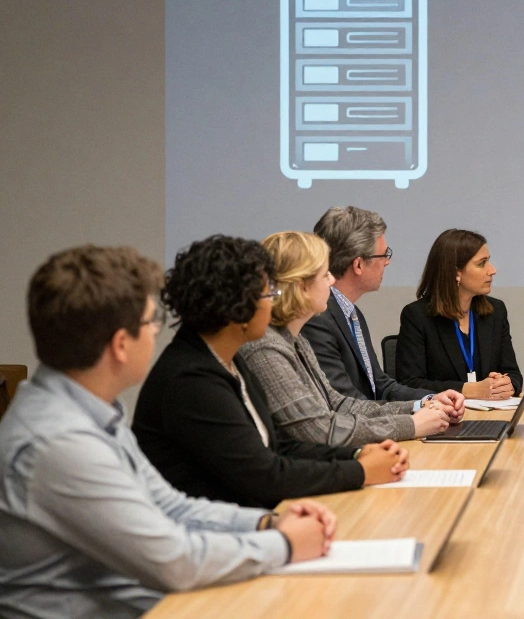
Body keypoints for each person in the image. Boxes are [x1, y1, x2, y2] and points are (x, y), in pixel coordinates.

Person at [0, 246, 334, 619]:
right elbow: (174, 561)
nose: (157, 330)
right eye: (151, 321)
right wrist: (283, 544)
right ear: (121, 345)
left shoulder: (91, 410)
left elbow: (169, 506)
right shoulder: (59, 442)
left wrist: (265, 523)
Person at [133, 235, 408, 509]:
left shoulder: (225, 359)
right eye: (268, 294)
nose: (273, 303)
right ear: (237, 306)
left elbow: (278, 446)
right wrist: (360, 471)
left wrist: (357, 454)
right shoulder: (192, 379)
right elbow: (265, 476)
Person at [239, 231, 463, 446]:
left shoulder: (295, 340)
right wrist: (411, 425)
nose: (331, 281)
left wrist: (421, 406)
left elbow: (339, 404)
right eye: (324, 274)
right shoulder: (266, 348)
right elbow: (319, 430)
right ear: (300, 286)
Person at [302, 206, 433, 402]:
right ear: (358, 265)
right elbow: (345, 402)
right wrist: (416, 413)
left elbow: (380, 385)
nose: (387, 262)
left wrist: (430, 400)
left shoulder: (351, 313)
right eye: (383, 254)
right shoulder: (317, 319)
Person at [395, 229, 524, 399]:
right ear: (456, 272)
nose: (492, 270)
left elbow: (513, 374)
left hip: (492, 412)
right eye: (482, 263)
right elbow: (409, 384)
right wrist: (468, 390)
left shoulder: (495, 311)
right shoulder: (417, 316)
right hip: (443, 413)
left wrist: (508, 385)